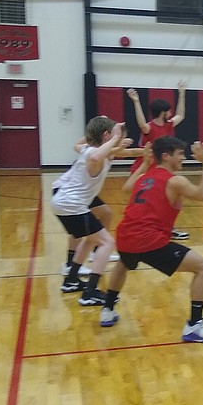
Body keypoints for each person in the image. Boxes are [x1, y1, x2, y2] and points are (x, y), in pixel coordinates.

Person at [100, 137, 203, 343]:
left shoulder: (143, 177)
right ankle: (195, 326)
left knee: (125, 261)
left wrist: (144, 164)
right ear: (166, 156)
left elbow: (125, 189)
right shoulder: (175, 181)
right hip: (148, 240)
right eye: (180, 154)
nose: (183, 158)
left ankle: (107, 308)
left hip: (124, 236)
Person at [51, 117, 132, 306]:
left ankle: (71, 280)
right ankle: (90, 292)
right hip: (72, 205)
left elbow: (90, 148)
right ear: (106, 135)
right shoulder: (94, 155)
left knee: (90, 240)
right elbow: (96, 156)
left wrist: (116, 145)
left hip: (64, 203)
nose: (119, 137)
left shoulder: (87, 149)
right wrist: (114, 139)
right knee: (107, 243)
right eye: (115, 134)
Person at [127, 81, 190, 240]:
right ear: (163, 112)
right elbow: (141, 122)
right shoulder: (149, 127)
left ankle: (167, 227)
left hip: (162, 169)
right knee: (147, 202)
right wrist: (136, 101)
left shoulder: (169, 124)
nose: (171, 113)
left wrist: (182, 93)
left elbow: (181, 115)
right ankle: (142, 227)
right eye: (168, 110)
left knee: (173, 199)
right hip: (146, 168)